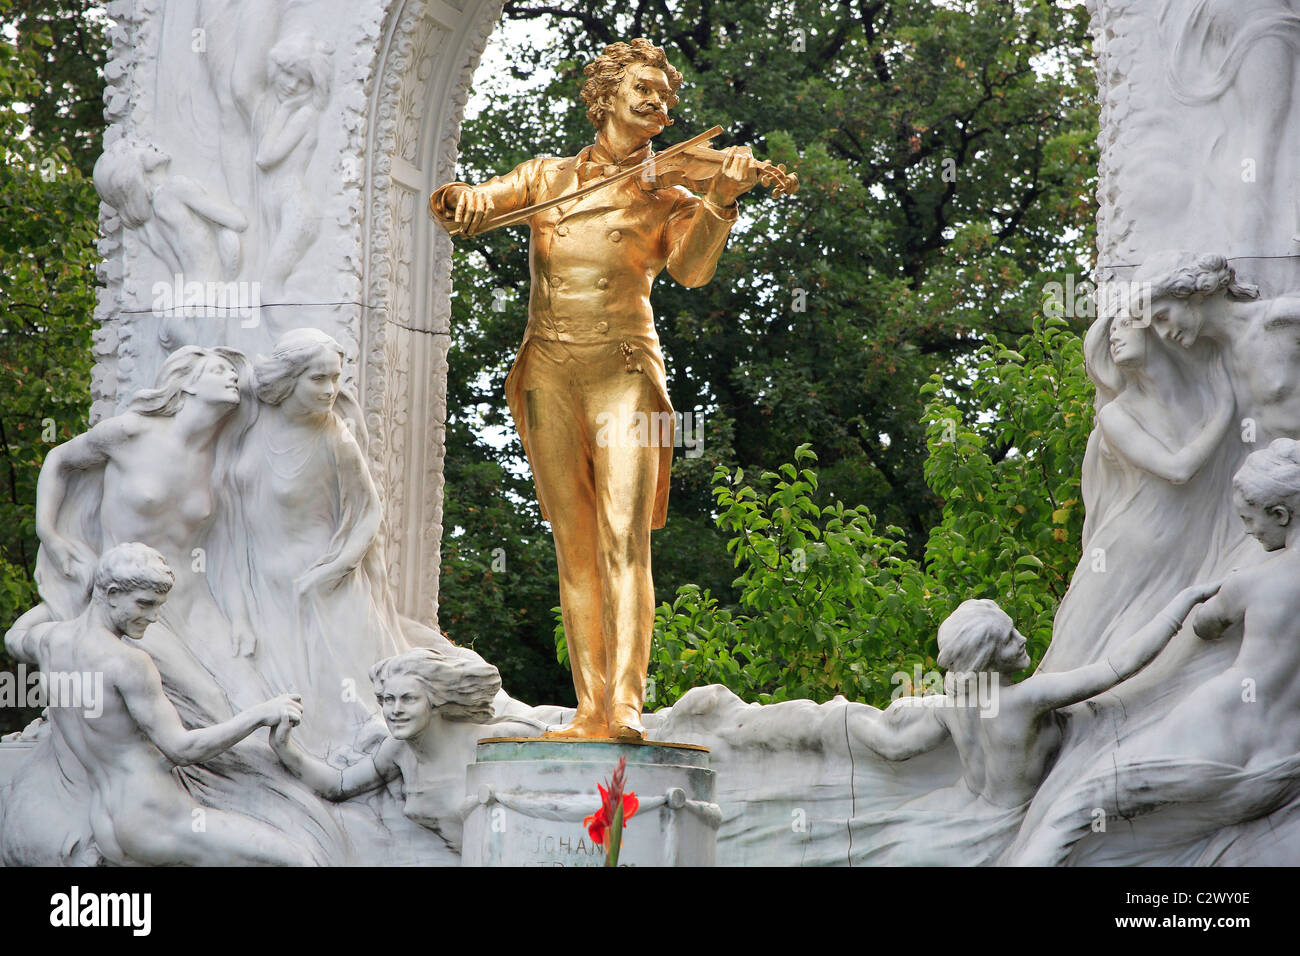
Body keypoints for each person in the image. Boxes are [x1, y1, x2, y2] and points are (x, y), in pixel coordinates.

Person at [428, 38, 759, 739]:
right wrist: (458, 199)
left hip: (625, 373)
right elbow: (483, 203)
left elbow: (693, 271)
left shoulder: (668, 193)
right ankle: (589, 708)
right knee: (574, 544)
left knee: (623, 537)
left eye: (665, 97)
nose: (657, 102)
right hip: (548, 370)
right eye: (643, 87)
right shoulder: (547, 178)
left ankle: (628, 703)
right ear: (604, 95)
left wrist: (720, 199)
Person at [1008, 438, 1300, 864]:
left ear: (1280, 514)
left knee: (1075, 811)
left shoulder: (1254, 580)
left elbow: (1206, 624)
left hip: (1222, 724)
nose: (1249, 533)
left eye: (1249, 520)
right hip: (1281, 759)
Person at [848, 583, 1218, 864]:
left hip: (951, 812)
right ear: (986, 659)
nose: (1022, 639)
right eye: (1009, 639)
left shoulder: (953, 706)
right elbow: (1117, 667)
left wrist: (848, 716)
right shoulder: (1026, 699)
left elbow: (894, 746)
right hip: (1001, 826)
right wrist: (1183, 601)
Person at [4, 543, 310, 866]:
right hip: (155, 815)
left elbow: (14, 636)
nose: (153, 617)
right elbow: (182, 748)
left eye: (158, 606)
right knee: (296, 859)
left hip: (106, 822)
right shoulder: (128, 663)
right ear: (110, 594)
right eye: (144, 604)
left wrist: (60, 593)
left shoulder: (50, 642)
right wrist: (261, 713)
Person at [270, 648, 540, 852]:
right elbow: (339, 786)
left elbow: (566, 748)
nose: (395, 710)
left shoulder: (491, 741)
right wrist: (284, 747)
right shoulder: (399, 750)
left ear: (435, 702)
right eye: (389, 700)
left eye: (408, 699)